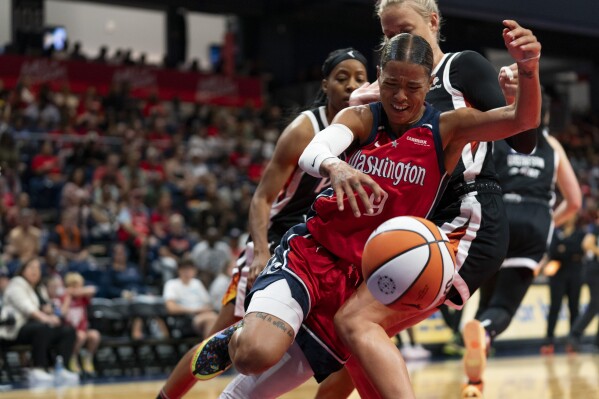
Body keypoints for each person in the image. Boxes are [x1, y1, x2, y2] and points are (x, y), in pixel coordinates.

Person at [169, 22, 541, 399]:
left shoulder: (448, 129)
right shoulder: (363, 117)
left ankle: (254, 332)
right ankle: (237, 337)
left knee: (259, 389)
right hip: (312, 254)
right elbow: (316, 150)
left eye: (412, 87)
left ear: (429, 84)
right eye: (392, 83)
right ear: (379, 77)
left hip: (358, 278)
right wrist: (336, 165)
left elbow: (521, 121)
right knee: (253, 354)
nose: (399, 96)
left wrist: (528, 69)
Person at [318, 0, 538, 396]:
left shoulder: (462, 67)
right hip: (417, 220)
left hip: (466, 214)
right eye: (388, 34)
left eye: (405, 28)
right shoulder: (387, 88)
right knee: (353, 335)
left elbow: (524, 138)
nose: (397, 39)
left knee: (356, 321)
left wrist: (524, 77)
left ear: (433, 21)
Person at [158, 46, 369, 399]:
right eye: (342, 78)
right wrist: (259, 251)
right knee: (219, 337)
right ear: (325, 84)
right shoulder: (306, 128)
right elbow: (261, 198)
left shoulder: (367, 131)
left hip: (319, 251)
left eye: (360, 79)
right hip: (275, 243)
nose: (351, 86)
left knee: (346, 350)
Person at [462, 88, 581, 395]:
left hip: (498, 216)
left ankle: (474, 379)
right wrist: (548, 222)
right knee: (503, 306)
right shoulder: (553, 145)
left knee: (488, 298)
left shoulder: (498, 134)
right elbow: (575, 202)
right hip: (535, 219)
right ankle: (484, 335)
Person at [0, 258, 79, 387]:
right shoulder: (17, 283)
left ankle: (60, 368)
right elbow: (27, 308)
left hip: (37, 327)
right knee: (42, 328)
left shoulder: (39, 288)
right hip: (14, 330)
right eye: (31, 267)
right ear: (23, 270)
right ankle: (37, 368)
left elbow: (46, 306)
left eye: (37, 268)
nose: (35, 271)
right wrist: (47, 318)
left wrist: (51, 313)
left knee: (67, 331)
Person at [541, 214, 586, 354]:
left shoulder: (581, 233)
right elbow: (552, 251)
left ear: (574, 218)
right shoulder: (555, 232)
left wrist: (563, 249)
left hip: (575, 274)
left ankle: (573, 341)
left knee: (574, 308)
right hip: (558, 275)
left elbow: (579, 249)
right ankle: (549, 341)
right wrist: (567, 251)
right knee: (554, 308)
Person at [566, 215, 599, 352]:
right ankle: (574, 335)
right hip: (594, 270)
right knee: (595, 304)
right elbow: (586, 244)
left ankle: (597, 342)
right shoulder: (596, 228)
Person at [162, 259, 218, 339]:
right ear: (179, 270)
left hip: (202, 317)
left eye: (190, 269)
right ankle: (208, 349)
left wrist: (206, 309)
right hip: (184, 320)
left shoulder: (197, 283)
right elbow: (171, 308)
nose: (187, 272)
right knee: (213, 319)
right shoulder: (171, 284)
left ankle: (208, 348)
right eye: (184, 269)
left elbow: (208, 303)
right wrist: (195, 310)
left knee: (213, 319)